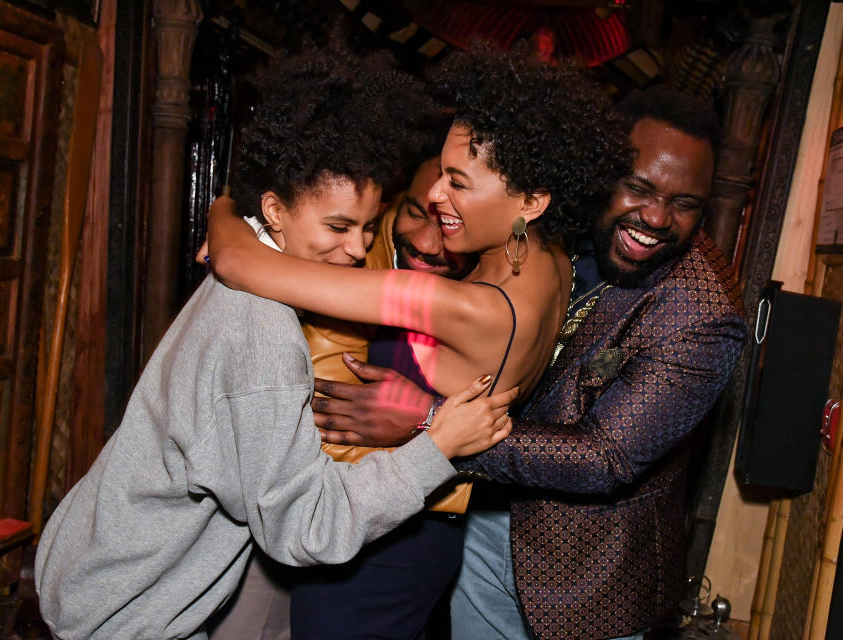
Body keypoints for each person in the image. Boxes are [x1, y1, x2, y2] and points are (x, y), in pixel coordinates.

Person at [33, 49, 516, 640]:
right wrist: (436, 445)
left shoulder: (244, 268)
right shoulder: (262, 330)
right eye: (337, 227)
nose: (357, 250)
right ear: (274, 212)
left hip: (102, 575)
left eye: (367, 228)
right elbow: (306, 529)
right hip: (129, 612)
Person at [204, 45, 629, 640]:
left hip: (378, 549)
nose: (435, 195)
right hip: (422, 530)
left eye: (458, 183)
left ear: (531, 199)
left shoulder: (463, 306)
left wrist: (230, 208)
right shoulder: (552, 262)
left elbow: (237, 262)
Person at [316, 86, 750, 640]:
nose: (657, 216)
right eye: (637, 188)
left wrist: (432, 421)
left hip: (588, 582)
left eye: (685, 203)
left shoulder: (703, 313)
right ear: (599, 173)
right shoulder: (551, 222)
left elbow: (605, 458)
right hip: (481, 526)